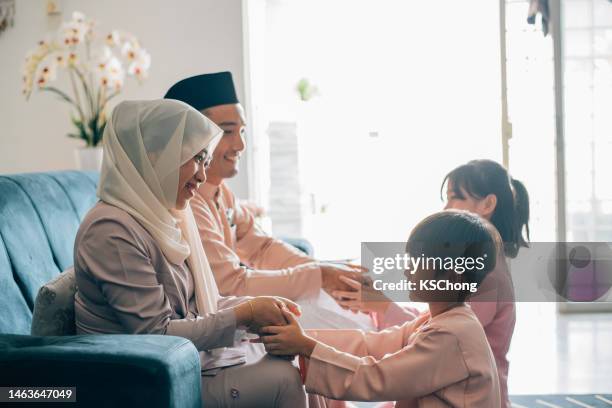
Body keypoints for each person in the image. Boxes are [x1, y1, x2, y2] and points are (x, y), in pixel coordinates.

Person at [73, 99, 308, 407]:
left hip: (184, 361)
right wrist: (247, 314)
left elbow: (200, 304)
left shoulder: (164, 215)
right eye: (195, 159)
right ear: (154, 158)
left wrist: (260, 308)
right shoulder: (111, 230)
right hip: (141, 380)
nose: (201, 175)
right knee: (287, 376)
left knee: (304, 358)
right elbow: (158, 332)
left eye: (204, 160)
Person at [164, 72, 371, 329]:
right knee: (350, 326)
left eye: (242, 131)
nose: (240, 145)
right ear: (192, 138)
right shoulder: (188, 201)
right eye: (228, 131)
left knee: (356, 309)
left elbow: (262, 247)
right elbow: (231, 285)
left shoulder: (221, 192)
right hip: (217, 323)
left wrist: (326, 270)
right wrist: (319, 276)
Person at [255, 210, 502, 407]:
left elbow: (376, 378)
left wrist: (306, 346)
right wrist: (304, 338)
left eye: (417, 262)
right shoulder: (438, 320)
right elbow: (371, 344)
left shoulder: (451, 335)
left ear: (452, 276)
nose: (407, 270)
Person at [333, 159, 528, 407]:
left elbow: (438, 338)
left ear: (488, 204)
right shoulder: (478, 265)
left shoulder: (483, 274)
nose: (446, 207)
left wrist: (382, 306)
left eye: (455, 197)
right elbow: (434, 320)